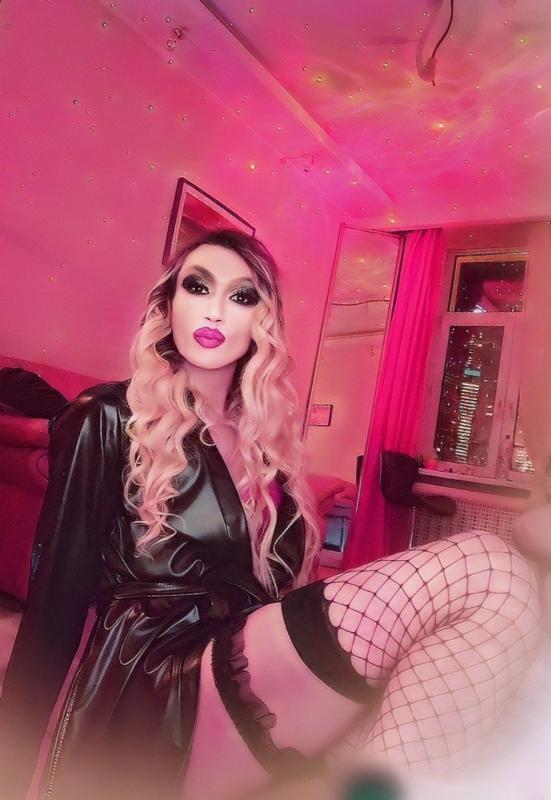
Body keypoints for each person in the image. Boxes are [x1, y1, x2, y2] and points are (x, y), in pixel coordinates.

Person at [0, 230, 541, 800]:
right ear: (168, 304)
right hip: (154, 683)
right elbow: (54, 603)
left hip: (244, 667)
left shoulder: (267, 448)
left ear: (263, 321)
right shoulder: (109, 415)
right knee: (488, 569)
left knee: (463, 667)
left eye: (241, 296)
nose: (214, 310)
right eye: (197, 287)